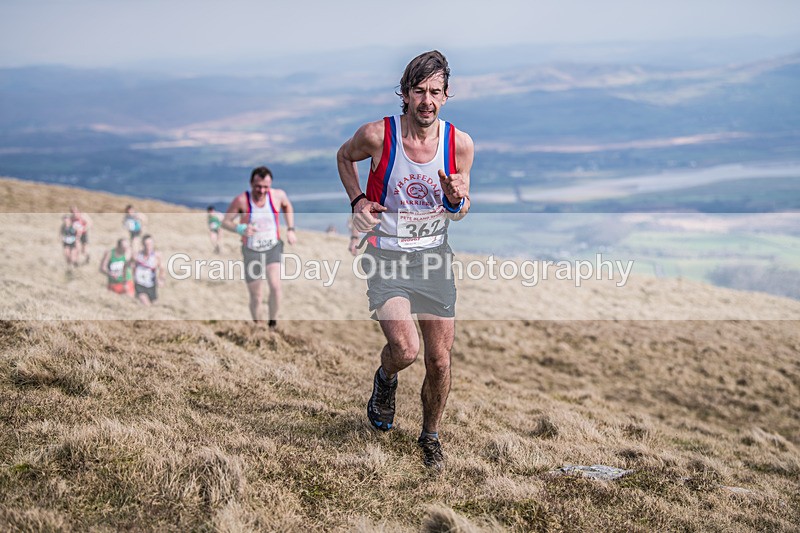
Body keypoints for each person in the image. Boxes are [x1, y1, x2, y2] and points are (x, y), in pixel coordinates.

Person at [337, 50, 473, 470]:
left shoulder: (459, 144)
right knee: (406, 348)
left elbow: (462, 206)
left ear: (447, 95)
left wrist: (456, 200)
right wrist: (358, 199)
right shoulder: (378, 136)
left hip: (433, 260)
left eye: (434, 91)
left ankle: (430, 436)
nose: (426, 100)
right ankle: (386, 377)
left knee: (439, 359)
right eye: (418, 91)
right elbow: (344, 157)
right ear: (405, 94)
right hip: (387, 258)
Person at [221, 166, 297, 327]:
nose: (262, 190)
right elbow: (225, 222)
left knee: (276, 287)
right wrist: (240, 228)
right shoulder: (242, 200)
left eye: (265, 187)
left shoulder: (277, 195)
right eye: (258, 186)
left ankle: (272, 324)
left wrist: (290, 229)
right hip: (251, 251)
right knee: (257, 295)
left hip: (272, 248)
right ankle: (258, 326)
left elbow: (287, 206)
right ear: (251, 183)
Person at [133, 234, 165, 306]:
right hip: (139, 284)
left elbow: (162, 269)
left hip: (151, 284)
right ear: (143, 245)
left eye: (150, 244)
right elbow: (129, 265)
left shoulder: (157, 256)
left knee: (154, 305)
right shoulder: (137, 255)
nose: (148, 247)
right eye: (146, 244)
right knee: (146, 304)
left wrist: (161, 279)